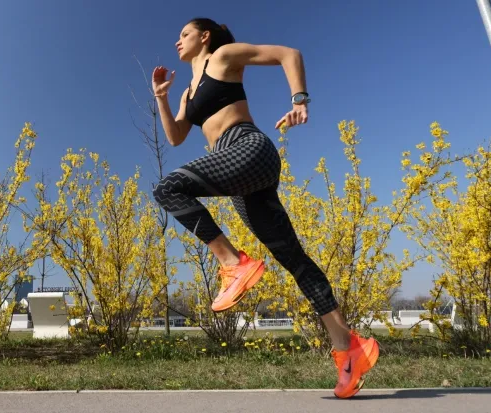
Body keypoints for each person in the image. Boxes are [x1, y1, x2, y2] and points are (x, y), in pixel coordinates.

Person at [150, 17, 379, 399]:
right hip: (236, 169)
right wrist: (161, 96)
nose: (178, 41)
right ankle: (349, 349)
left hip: (248, 148)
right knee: (293, 259)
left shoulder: (222, 56)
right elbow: (175, 138)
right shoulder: (188, 92)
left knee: (169, 188)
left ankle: (233, 264)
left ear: (204, 37)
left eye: (184, 34)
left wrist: (299, 100)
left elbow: (288, 54)